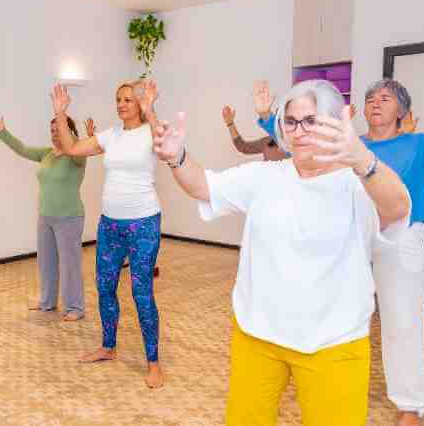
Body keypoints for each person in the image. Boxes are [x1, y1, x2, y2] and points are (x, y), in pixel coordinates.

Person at [155, 79, 410, 425]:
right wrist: (177, 157)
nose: (300, 130)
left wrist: (363, 160)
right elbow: (203, 185)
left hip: (333, 342)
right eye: (291, 121)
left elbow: (396, 207)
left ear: (336, 124)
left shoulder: (358, 182)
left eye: (312, 120)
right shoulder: (264, 177)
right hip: (257, 334)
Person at [253, 73, 424, 425]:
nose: (376, 102)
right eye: (372, 97)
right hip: (350, 236)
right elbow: (299, 142)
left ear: (403, 111)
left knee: (402, 321)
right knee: (334, 312)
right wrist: (268, 114)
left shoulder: (420, 144)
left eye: (386, 98)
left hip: (401, 240)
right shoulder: (349, 144)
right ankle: (320, 380)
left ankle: (410, 405)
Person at [51, 80, 165, 388]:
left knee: (142, 295)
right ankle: (108, 346)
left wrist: (151, 109)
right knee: (104, 287)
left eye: (128, 99)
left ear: (139, 104)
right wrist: (61, 114)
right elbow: (72, 148)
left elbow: (166, 145)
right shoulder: (111, 136)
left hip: (143, 223)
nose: (122, 104)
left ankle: (153, 363)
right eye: (118, 99)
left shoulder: (150, 131)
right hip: (110, 225)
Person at [0, 112, 88, 321]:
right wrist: (2, 132)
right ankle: (48, 301)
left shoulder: (77, 155)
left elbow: (78, 147)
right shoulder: (47, 154)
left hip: (69, 218)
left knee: (70, 264)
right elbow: (22, 148)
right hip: (46, 217)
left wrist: (79, 136)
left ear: (68, 131)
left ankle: (75, 307)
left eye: (57, 129)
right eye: (51, 130)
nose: (53, 134)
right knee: (46, 261)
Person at [221, 104, 285, 161]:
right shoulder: (269, 141)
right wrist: (230, 123)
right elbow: (243, 146)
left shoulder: (293, 147)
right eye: (278, 119)